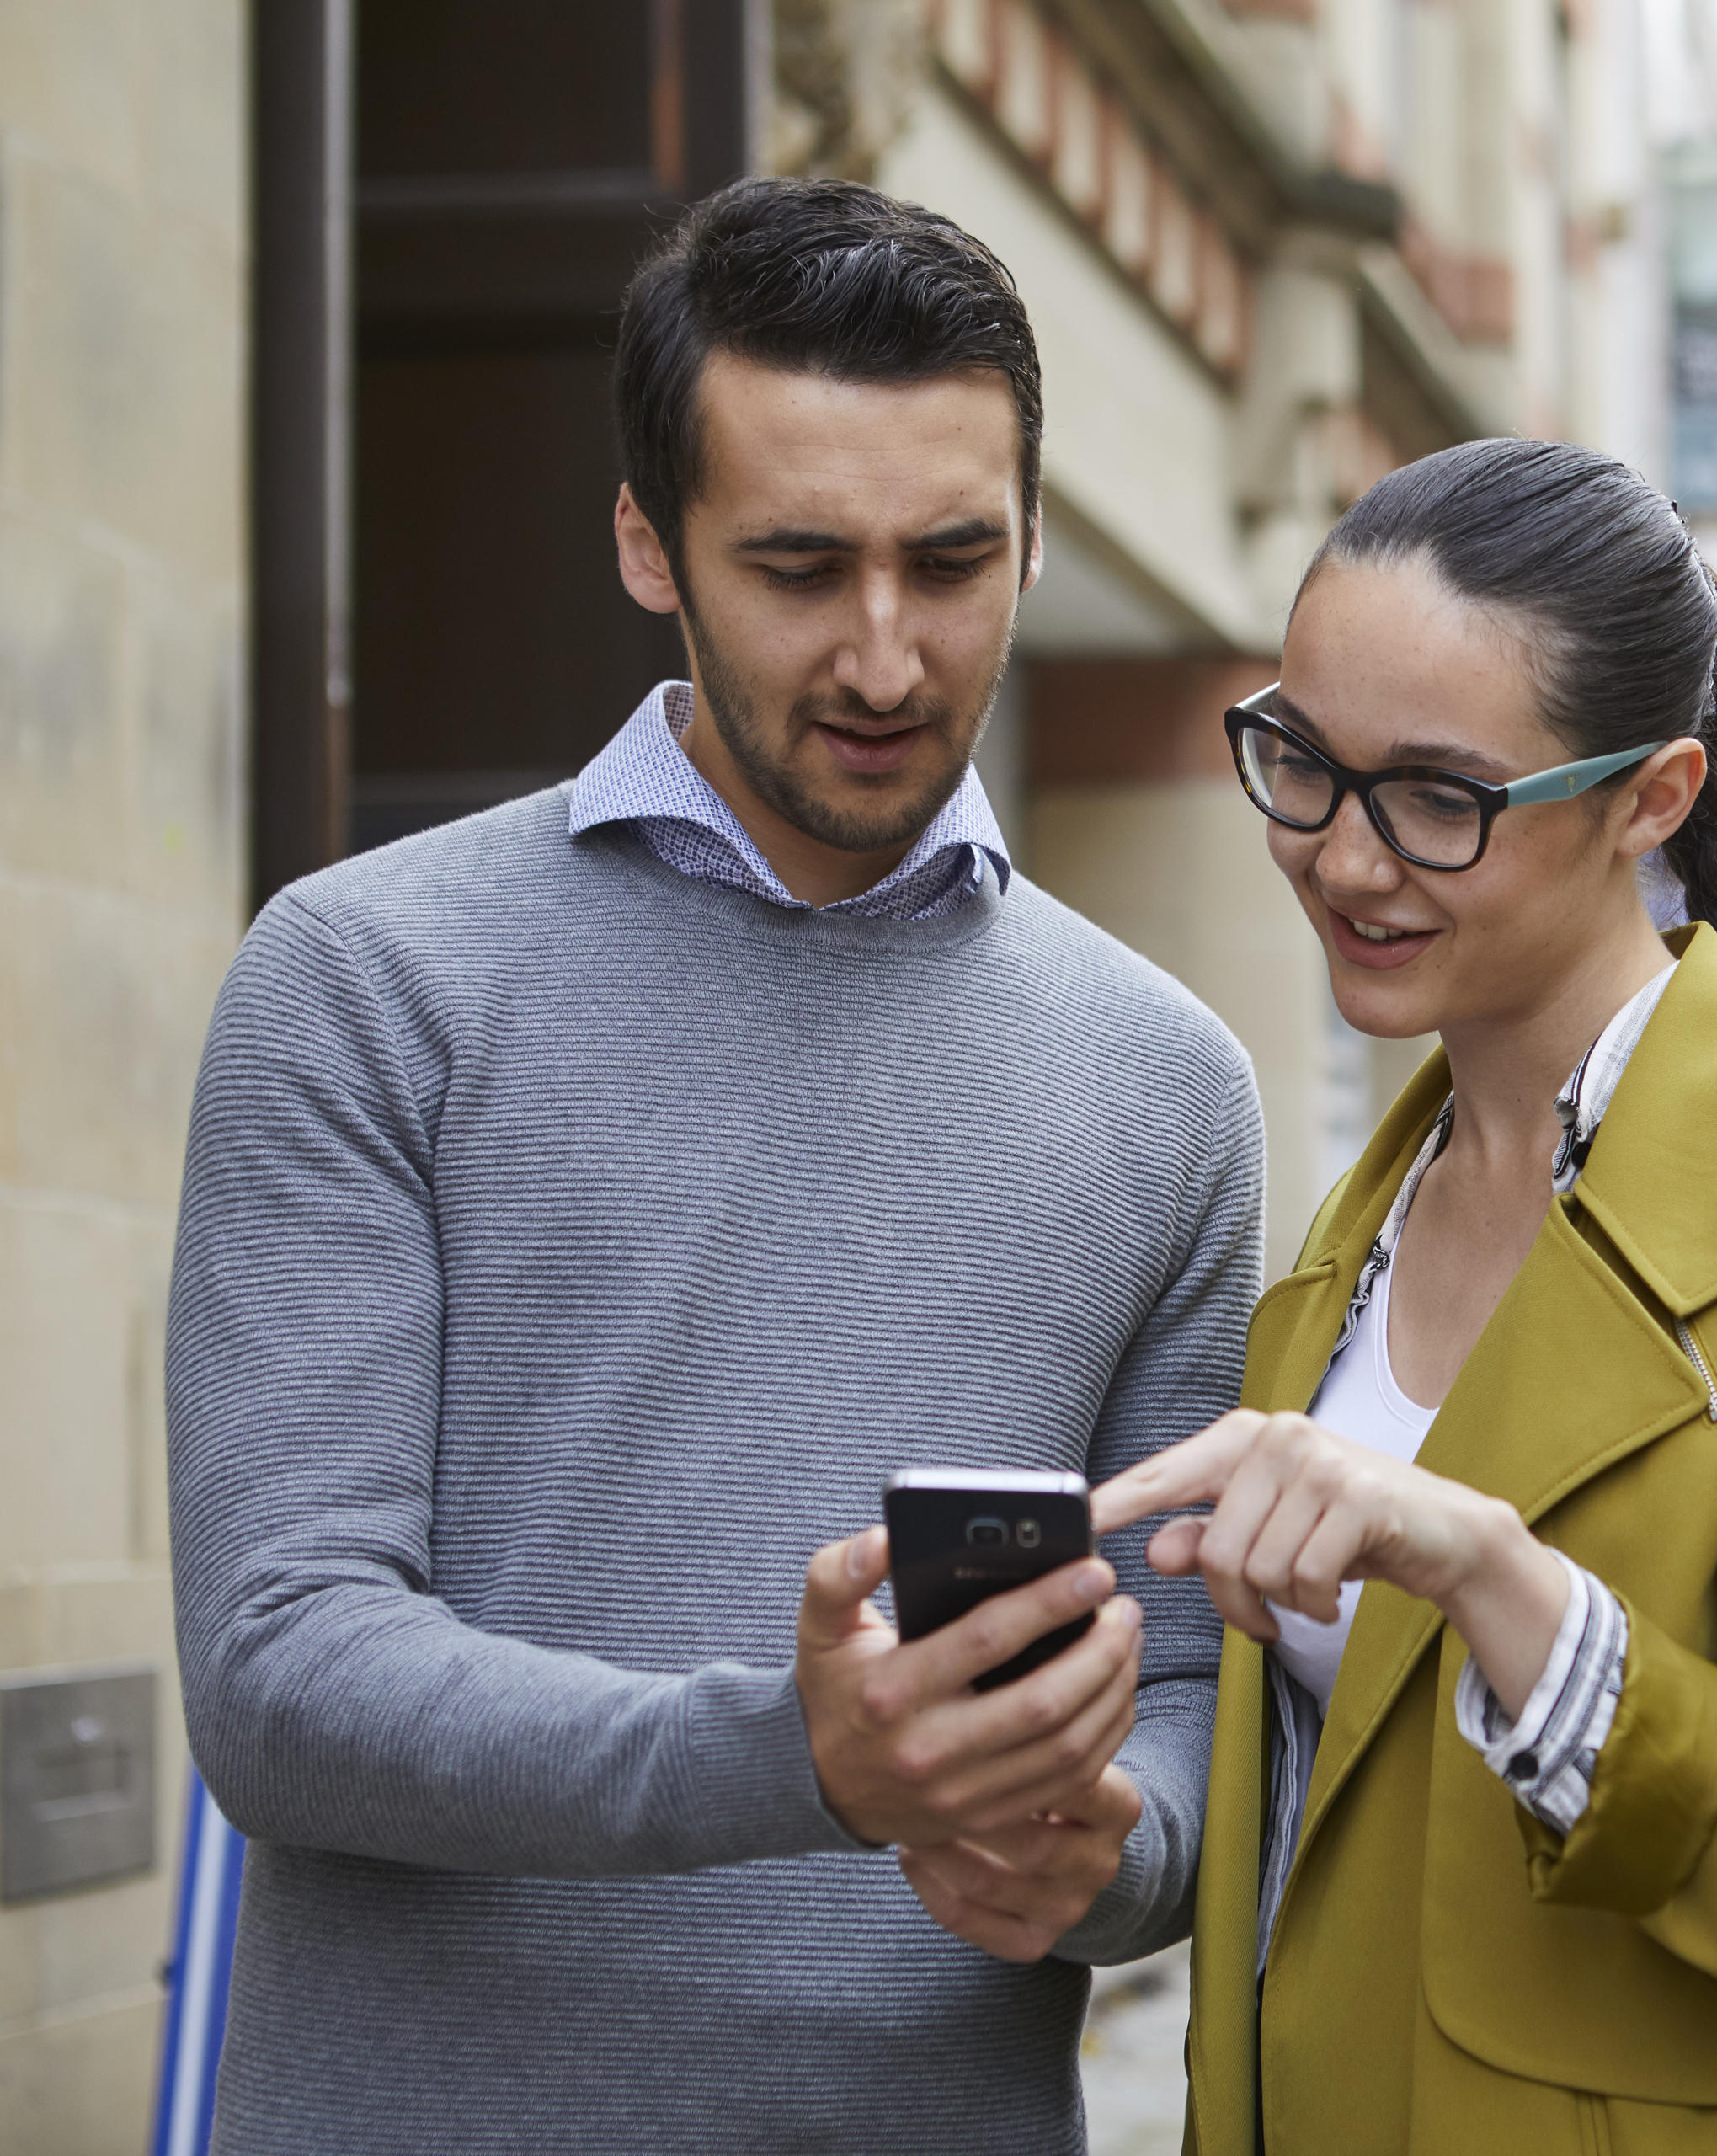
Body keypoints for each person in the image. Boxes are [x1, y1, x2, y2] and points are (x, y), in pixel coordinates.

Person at [163, 179, 1259, 2152]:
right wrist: (797, 1756)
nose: (885, 655)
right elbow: (280, 1672)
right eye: (798, 566)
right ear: (644, 543)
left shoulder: (1168, 1081)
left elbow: (1176, 1687)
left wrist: (1116, 1851)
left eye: (952, 561)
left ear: (1029, 538)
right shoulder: (365, 978)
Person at [1078, 439, 1717, 2156]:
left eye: (1439, 799)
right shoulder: (1353, 1240)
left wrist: (1497, 1579)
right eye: (1302, 762)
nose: (1344, 858)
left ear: (1651, 798)